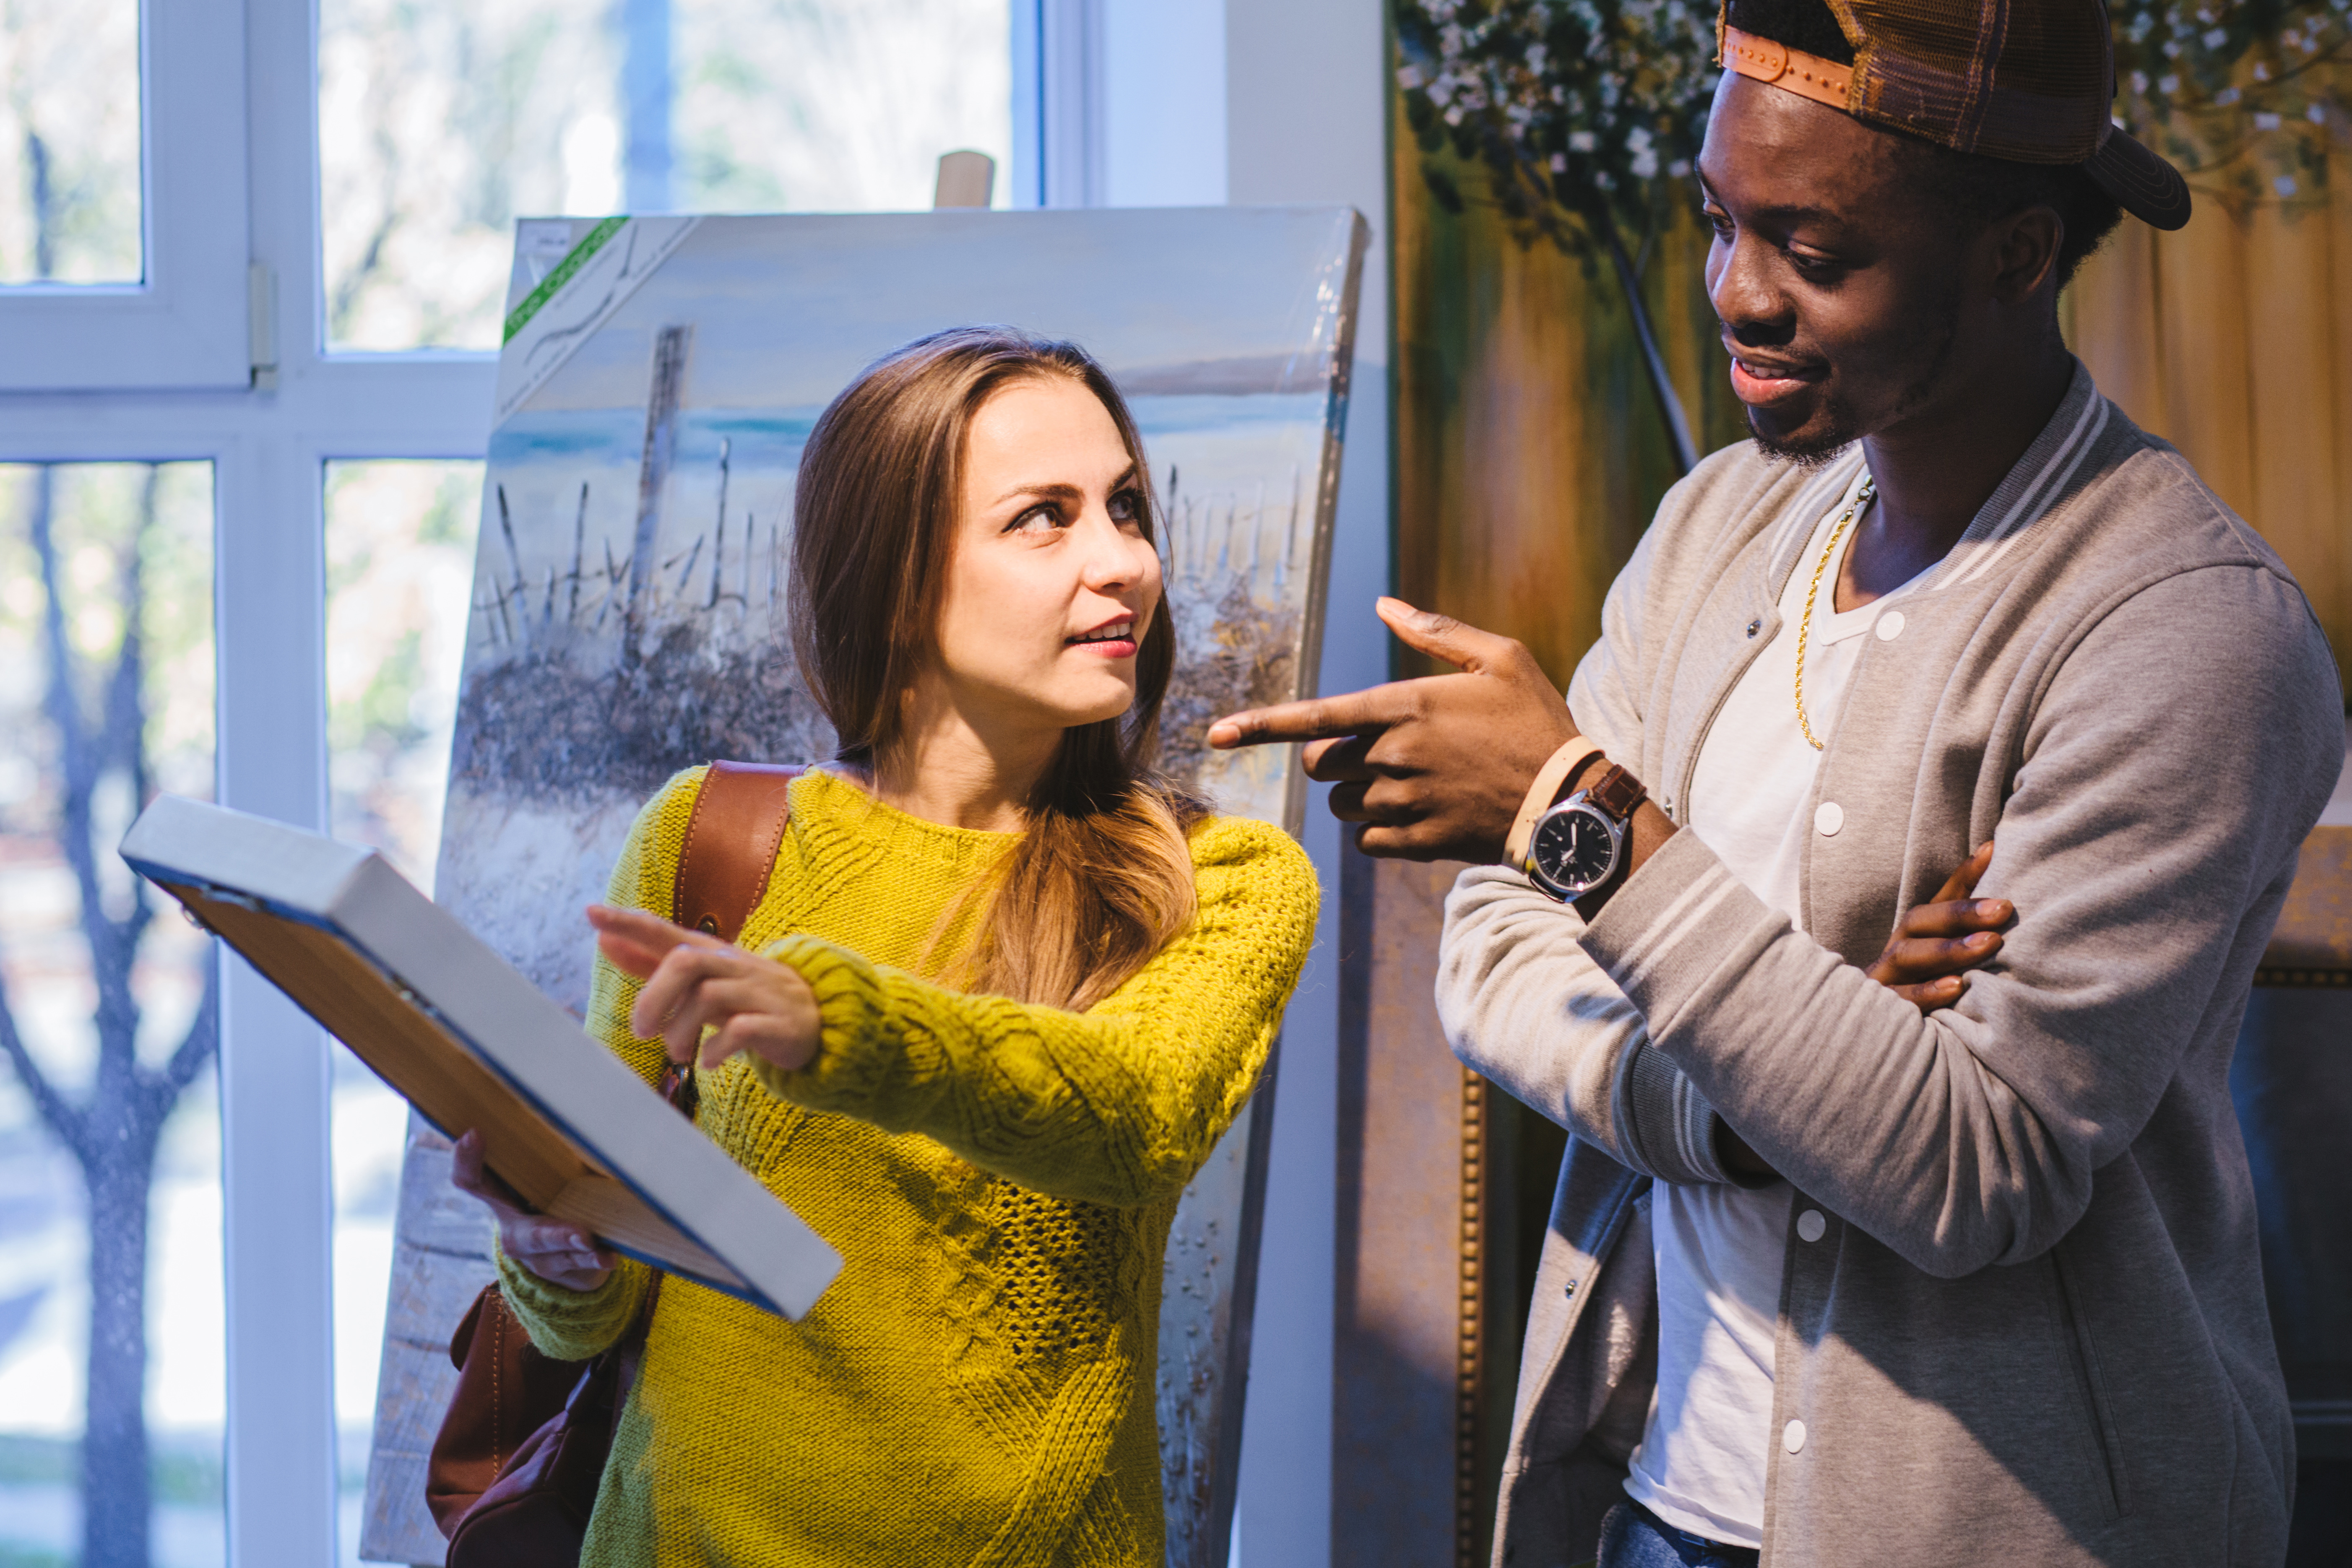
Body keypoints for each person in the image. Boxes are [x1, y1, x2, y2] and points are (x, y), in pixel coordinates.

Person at [1207, 0, 2344, 1562]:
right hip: (1664, 1495)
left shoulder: (2185, 630)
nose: (1739, 294)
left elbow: (1969, 1164)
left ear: (2017, 255)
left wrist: (1583, 818)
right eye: (1718, 221)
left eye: (1816, 252)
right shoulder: (1722, 527)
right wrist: (1744, 1098)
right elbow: (1489, 951)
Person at [452, 326, 1319, 1567]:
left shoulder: (1218, 881)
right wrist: (555, 1246)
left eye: (1127, 508)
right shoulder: (710, 839)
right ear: (900, 575)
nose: (1123, 561)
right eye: (1046, 517)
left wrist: (838, 1024)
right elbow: (603, 1299)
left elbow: (1134, 1112)